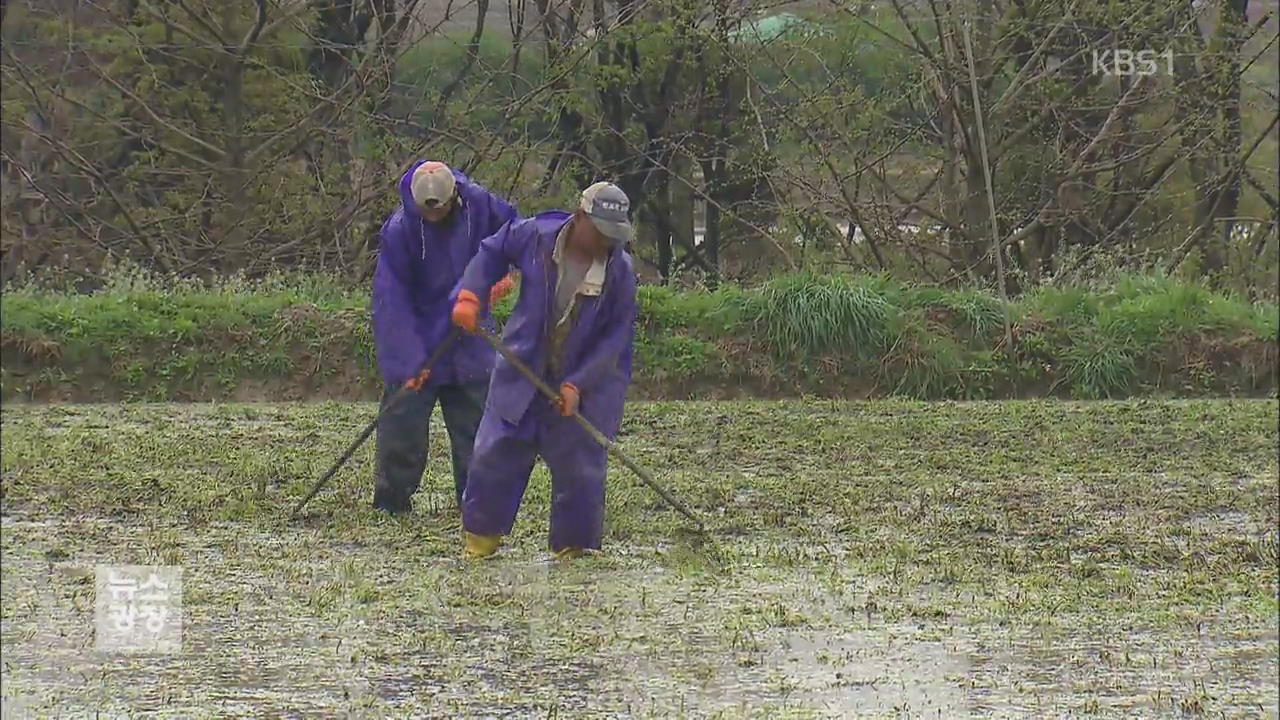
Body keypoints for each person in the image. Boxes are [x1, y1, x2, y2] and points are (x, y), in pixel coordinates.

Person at [449, 181, 638, 560]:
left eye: (613, 235)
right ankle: (480, 542)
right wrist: (471, 294)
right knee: (495, 457)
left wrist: (578, 385)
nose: (606, 241)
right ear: (580, 217)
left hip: (586, 382)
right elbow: (491, 252)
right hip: (524, 368)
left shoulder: (621, 272)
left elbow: (614, 341)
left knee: (581, 470)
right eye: (600, 231)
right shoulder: (535, 236)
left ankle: (575, 550)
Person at [370, 160, 518, 514]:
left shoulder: (481, 205)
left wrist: (496, 279)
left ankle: (478, 504)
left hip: (469, 333)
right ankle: (392, 502)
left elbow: (515, 235)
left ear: (454, 195)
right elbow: (392, 303)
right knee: (402, 424)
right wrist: (410, 363)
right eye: (427, 211)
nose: (435, 216)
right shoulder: (399, 231)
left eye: (442, 208)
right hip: (419, 333)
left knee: (477, 428)